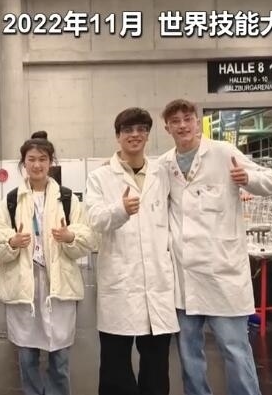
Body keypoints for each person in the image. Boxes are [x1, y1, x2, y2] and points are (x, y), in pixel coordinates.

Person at [157, 99, 272, 395]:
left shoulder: (223, 152)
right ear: (167, 128)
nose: (183, 125)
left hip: (222, 273)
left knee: (235, 349)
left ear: (197, 122)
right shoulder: (164, 164)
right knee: (189, 354)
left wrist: (248, 178)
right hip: (185, 276)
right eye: (175, 121)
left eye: (188, 119)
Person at [0, 131, 98, 395]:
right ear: (23, 163)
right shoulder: (11, 200)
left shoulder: (67, 199)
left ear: (51, 162)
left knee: (60, 358)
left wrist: (70, 237)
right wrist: (12, 241)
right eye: (31, 159)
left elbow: (88, 238)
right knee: (27, 358)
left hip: (58, 286)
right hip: (24, 287)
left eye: (43, 159)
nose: (37, 165)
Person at [84, 108, 179, 395]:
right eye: (128, 130)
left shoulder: (162, 173)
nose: (135, 135)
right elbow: (94, 219)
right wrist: (120, 210)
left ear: (148, 134)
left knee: (156, 365)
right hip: (120, 281)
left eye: (141, 129)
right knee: (115, 366)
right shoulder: (100, 177)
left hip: (157, 282)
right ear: (118, 136)